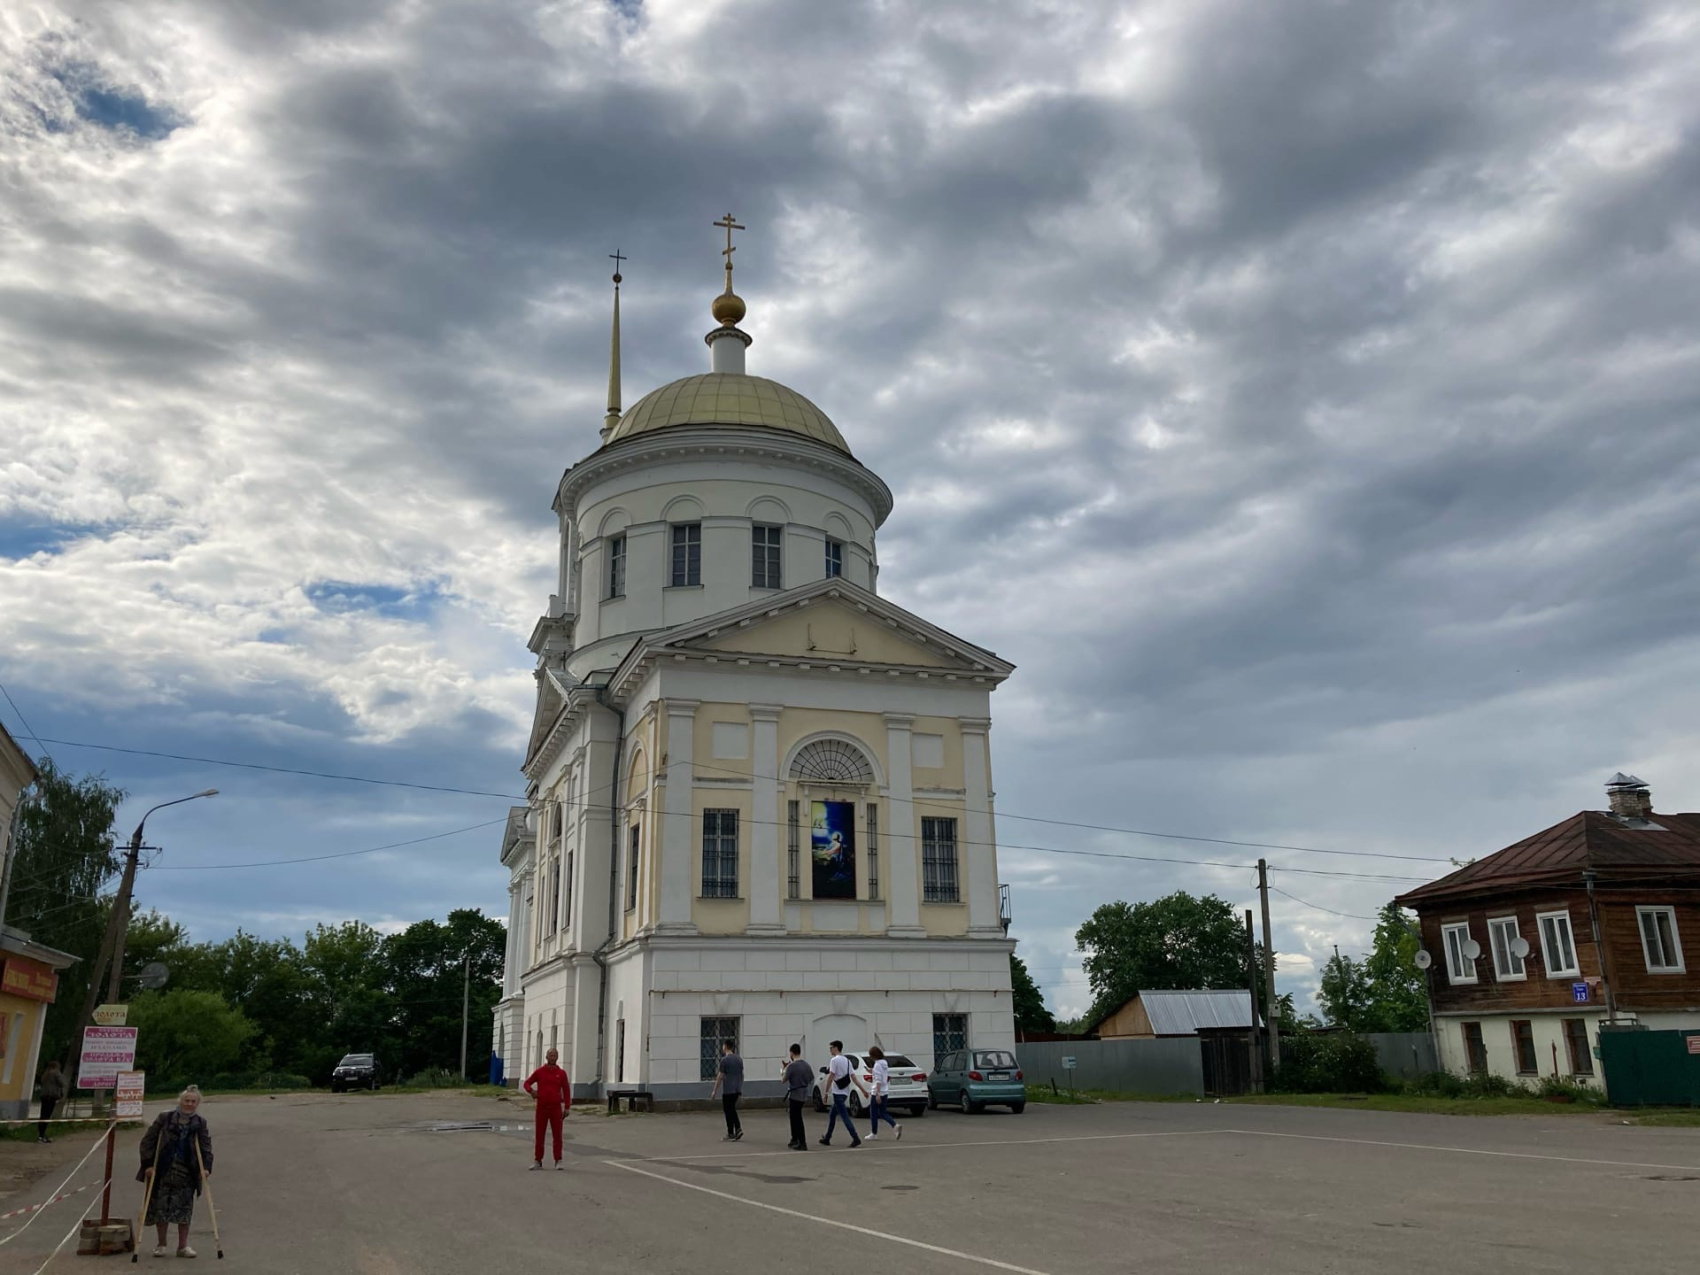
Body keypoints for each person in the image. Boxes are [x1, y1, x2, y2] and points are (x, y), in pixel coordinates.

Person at [137, 1085, 213, 1260]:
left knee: (184, 1209)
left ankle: (182, 1246)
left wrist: (206, 1167)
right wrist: (148, 1164)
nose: (189, 1104)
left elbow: (205, 1146)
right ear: (180, 1101)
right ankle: (161, 1244)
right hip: (163, 1168)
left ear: (198, 1103)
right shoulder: (165, 1118)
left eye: (193, 1101)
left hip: (187, 1171)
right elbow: (148, 1142)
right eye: (187, 1100)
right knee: (161, 1208)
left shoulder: (199, 1123)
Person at [523, 1047, 572, 1170]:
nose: (553, 1057)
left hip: (555, 1108)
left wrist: (567, 1107)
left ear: (557, 1057)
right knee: (539, 1134)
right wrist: (531, 1091)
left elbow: (566, 1090)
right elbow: (526, 1083)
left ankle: (558, 1160)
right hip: (542, 1107)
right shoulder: (540, 1072)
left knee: (557, 1135)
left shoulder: (561, 1073)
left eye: (555, 1055)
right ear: (546, 1057)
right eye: (551, 1055)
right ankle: (538, 1160)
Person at [818, 1040, 862, 1148]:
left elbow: (831, 1076)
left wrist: (825, 1093)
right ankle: (827, 1138)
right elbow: (854, 1078)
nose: (830, 1050)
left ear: (836, 1048)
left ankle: (855, 1138)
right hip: (845, 1092)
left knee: (844, 1116)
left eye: (831, 1047)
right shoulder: (847, 1061)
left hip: (837, 1092)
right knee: (832, 1115)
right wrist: (863, 1090)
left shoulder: (834, 1060)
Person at [865, 1045, 901, 1142]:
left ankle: (874, 1133)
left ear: (873, 1056)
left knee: (873, 1113)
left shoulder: (877, 1065)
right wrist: (871, 1071)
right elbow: (881, 1074)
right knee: (883, 1112)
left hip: (878, 1092)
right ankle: (895, 1125)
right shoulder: (884, 1063)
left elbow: (878, 1080)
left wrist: (877, 1094)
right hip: (885, 1091)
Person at [710, 1039, 743, 1141]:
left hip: (728, 1089)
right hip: (736, 1089)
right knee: (732, 1109)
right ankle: (736, 1129)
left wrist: (714, 1090)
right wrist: (740, 1090)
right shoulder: (739, 1059)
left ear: (725, 1046)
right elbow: (741, 1075)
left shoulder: (725, 1060)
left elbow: (720, 1076)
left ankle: (732, 1131)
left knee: (728, 1111)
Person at [782, 1044, 813, 1150]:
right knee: (795, 1117)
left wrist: (783, 1070)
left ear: (791, 1052)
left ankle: (801, 1141)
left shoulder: (791, 1066)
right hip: (804, 1092)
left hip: (795, 1094)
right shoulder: (806, 1065)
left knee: (796, 1118)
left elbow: (783, 1080)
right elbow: (810, 1078)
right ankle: (795, 1139)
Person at [37, 1060, 65, 1144]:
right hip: (51, 1096)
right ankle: (42, 1136)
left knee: (43, 1116)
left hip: (44, 1096)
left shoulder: (45, 1074)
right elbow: (62, 1083)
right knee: (47, 1116)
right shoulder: (56, 1073)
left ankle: (40, 1135)